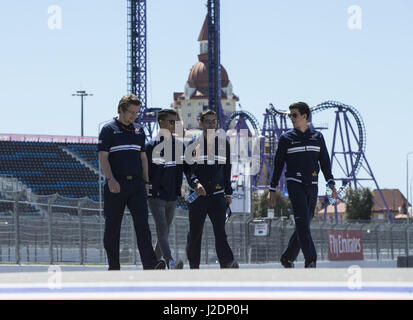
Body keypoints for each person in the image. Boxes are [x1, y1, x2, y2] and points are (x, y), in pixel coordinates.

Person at [98, 94, 165, 270]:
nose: (134, 116)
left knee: (143, 225)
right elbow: (103, 157)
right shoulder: (108, 130)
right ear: (120, 109)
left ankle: (150, 263)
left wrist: (146, 181)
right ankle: (114, 266)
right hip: (116, 185)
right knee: (113, 227)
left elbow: (143, 157)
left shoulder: (139, 130)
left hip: (137, 185)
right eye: (131, 112)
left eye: (136, 112)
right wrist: (110, 179)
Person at [267, 102, 337, 268]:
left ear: (304, 116)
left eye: (294, 115)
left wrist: (331, 185)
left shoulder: (317, 137)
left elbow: (325, 163)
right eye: (290, 115)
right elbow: (277, 165)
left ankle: (287, 257)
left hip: (312, 184)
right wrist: (272, 188)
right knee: (301, 221)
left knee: (304, 223)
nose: (291, 118)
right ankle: (311, 259)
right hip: (294, 183)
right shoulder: (286, 138)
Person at [185, 109, 239, 269]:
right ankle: (194, 265)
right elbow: (188, 170)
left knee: (220, 232)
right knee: (195, 233)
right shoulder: (193, 144)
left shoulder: (224, 145)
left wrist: (228, 193)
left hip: (217, 196)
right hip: (198, 197)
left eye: (213, 121)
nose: (211, 124)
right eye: (207, 121)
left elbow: (227, 169)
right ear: (200, 123)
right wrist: (196, 184)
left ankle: (228, 263)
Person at [146, 109, 184, 269]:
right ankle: (170, 262)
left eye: (176, 122)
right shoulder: (150, 146)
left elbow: (182, 170)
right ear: (161, 122)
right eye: (171, 122)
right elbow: (145, 171)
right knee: (162, 230)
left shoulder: (179, 146)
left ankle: (152, 264)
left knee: (164, 234)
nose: (175, 125)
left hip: (172, 197)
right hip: (156, 197)